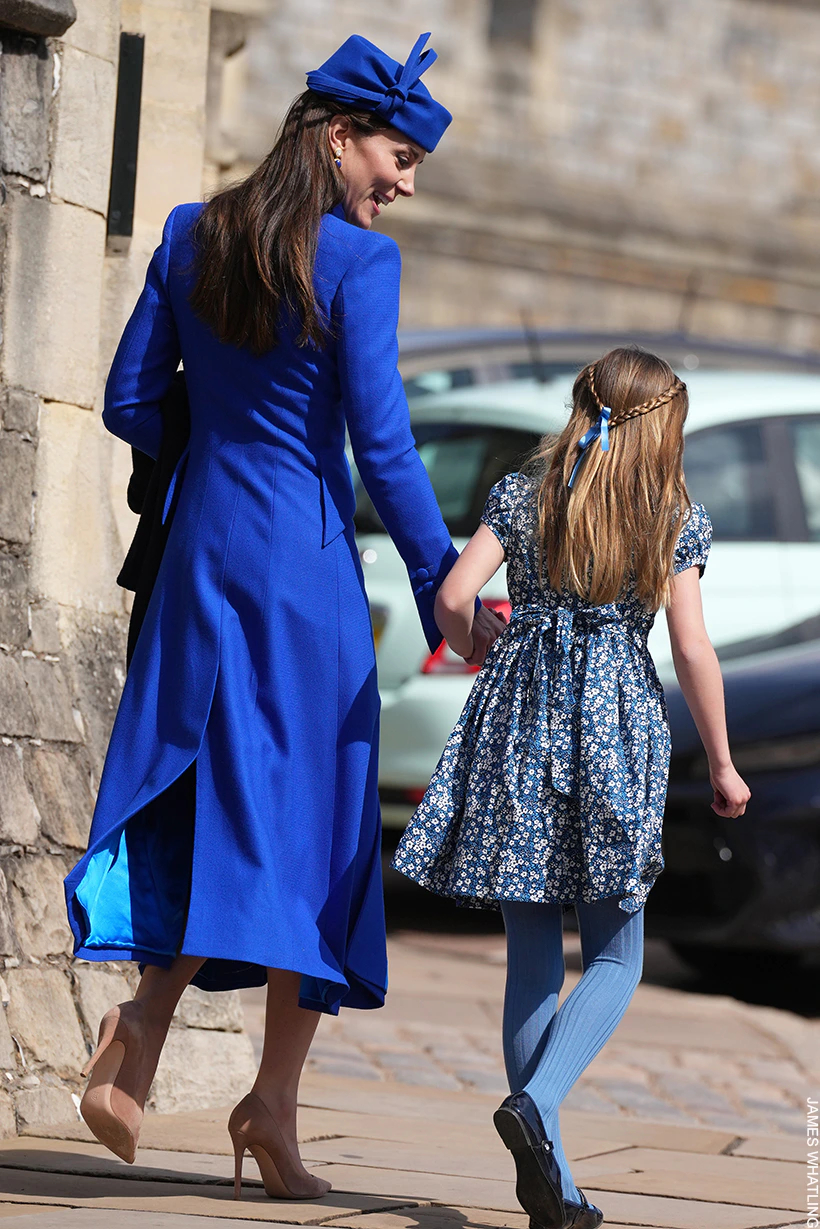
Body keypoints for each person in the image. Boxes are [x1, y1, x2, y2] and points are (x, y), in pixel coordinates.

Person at [63, 31, 503, 1199]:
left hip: (198, 559)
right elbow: (384, 447)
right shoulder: (359, 264)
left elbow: (128, 401)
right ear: (339, 137)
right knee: (322, 830)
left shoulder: (188, 232)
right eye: (399, 157)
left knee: (209, 795)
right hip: (302, 578)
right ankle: (264, 1096)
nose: (404, 185)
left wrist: (211, 453)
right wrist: (443, 581)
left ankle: (155, 1039)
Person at [392, 347, 750, 1229]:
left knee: (532, 960)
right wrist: (723, 761)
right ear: (661, 429)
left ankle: (549, 1173)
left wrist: (477, 641)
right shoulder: (672, 515)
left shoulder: (526, 494)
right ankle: (538, 1104)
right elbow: (693, 647)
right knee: (618, 955)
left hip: (520, 719)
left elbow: (454, 594)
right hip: (614, 731)